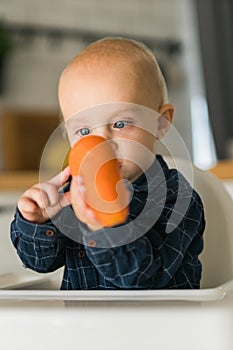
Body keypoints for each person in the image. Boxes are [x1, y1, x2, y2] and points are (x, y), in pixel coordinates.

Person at [10, 37, 205, 290]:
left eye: (120, 124)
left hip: (157, 328)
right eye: (83, 130)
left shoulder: (177, 199)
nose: (101, 144)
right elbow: (39, 262)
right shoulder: (72, 192)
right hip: (85, 328)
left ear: (161, 122)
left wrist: (101, 227)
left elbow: (141, 278)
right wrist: (38, 221)